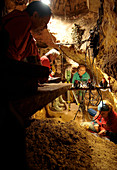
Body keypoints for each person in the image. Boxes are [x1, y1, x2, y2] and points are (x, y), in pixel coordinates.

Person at [0, 1, 52, 169]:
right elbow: (7, 57)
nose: (44, 27)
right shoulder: (21, 20)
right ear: (35, 15)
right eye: (44, 21)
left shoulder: (28, 36)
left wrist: (40, 72)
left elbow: (34, 57)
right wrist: (38, 72)